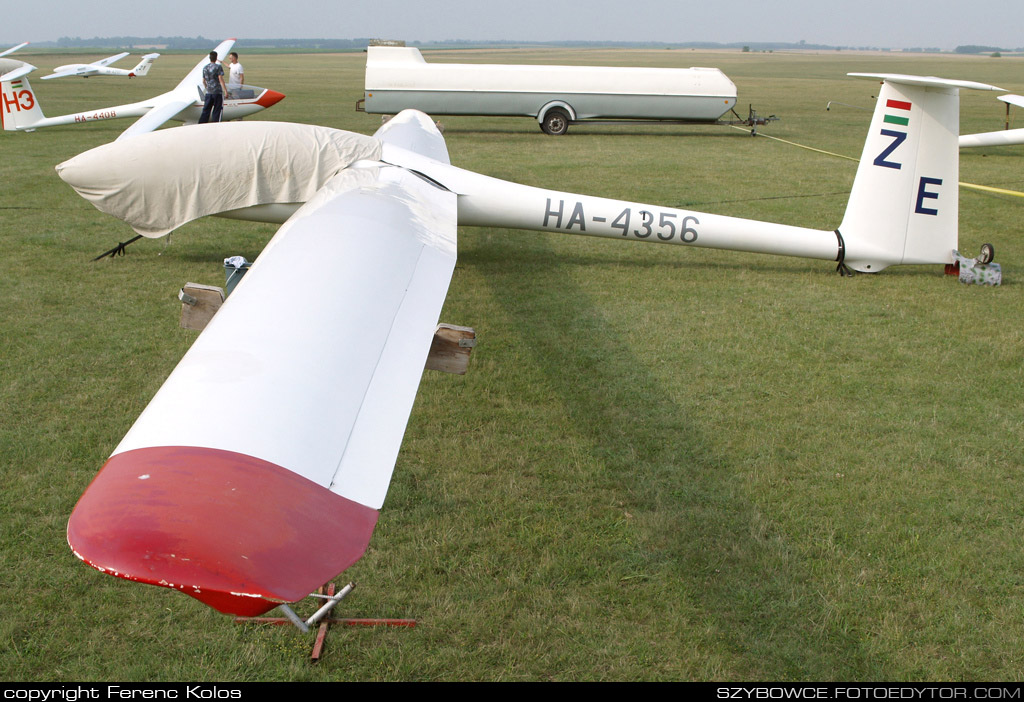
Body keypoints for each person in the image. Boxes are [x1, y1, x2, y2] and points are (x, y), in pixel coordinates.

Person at [198, 51, 226, 124]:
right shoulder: (218, 67)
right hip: (217, 92)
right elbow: (220, 79)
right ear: (216, 58)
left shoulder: (205, 68)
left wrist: (207, 88)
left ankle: (201, 124)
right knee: (217, 110)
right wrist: (225, 90)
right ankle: (215, 125)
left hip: (208, 92)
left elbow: (203, 81)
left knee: (206, 110)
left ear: (209, 58)